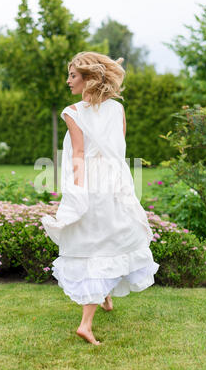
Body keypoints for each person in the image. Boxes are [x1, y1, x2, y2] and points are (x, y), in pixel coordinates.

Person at [41, 51, 159, 346]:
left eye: (73, 75)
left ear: (89, 79)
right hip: (114, 181)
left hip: (90, 182)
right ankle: (94, 310)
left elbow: (78, 153)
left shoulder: (72, 112)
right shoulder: (117, 110)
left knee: (95, 244)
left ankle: (88, 319)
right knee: (111, 238)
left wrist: (77, 191)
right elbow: (119, 149)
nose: (68, 81)